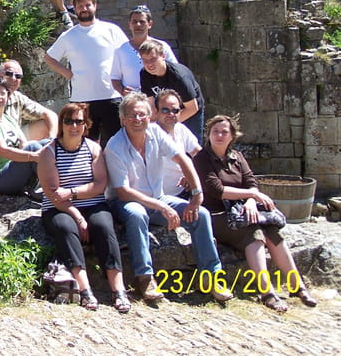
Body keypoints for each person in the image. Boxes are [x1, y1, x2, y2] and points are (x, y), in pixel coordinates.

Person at [104, 92, 232, 303]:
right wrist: (162, 207)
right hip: (126, 202)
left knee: (201, 214)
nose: (138, 119)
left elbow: (183, 159)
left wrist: (197, 193)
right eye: (132, 115)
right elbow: (123, 191)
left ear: (150, 116)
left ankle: (211, 276)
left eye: (142, 115)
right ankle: (145, 278)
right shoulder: (115, 146)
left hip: (158, 197)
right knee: (137, 215)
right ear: (123, 119)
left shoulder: (155, 132)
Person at [194, 114, 318, 312]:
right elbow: (216, 189)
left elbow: (251, 181)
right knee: (255, 234)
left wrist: (251, 201)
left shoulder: (237, 157)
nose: (219, 135)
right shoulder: (202, 158)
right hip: (217, 215)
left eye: (224, 132)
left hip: (241, 211)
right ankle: (266, 291)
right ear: (208, 134)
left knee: (273, 233)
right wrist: (251, 194)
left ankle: (297, 286)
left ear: (232, 136)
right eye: (215, 131)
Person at [37, 103, 130, 313]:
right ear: (61, 124)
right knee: (66, 228)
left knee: (104, 227)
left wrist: (72, 192)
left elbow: (100, 184)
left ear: (86, 125)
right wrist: (78, 216)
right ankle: (85, 288)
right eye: (68, 121)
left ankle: (118, 289)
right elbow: (54, 194)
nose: (74, 126)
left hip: (92, 203)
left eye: (79, 121)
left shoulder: (93, 149)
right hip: (58, 208)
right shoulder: (48, 153)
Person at [44, 0, 127, 146]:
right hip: (82, 100)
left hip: (111, 96)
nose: (84, 9)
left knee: (116, 144)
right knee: (85, 145)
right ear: (75, 9)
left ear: (95, 5)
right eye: (80, 6)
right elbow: (49, 58)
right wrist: (68, 74)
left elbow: (126, 54)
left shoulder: (111, 30)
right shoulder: (68, 36)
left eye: (87, 5)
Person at [0, 78, 44, 197]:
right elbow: (2, 150)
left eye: (2, 93)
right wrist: (33, 156)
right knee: (33, 147)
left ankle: (65, 181)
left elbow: (23, 144)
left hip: (12, 169)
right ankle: (53, 189)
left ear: (8, 96)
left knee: (47, 143)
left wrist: (42, 152)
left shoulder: (7, 118)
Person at [139, 39, 205, 143]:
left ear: (163, 56)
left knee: (191, 145)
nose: (149, 64)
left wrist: (167, 125)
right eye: (145, 60)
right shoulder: (145, 74)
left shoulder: (179, 77)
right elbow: (151, 106)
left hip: (189, 111)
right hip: (165, 112)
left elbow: (192, 108)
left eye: (153, 59)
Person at [111, 4, 178, 96]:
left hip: (158, 100)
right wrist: (122, 90)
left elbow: (175, 72)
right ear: (129, 25)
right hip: (133, 101)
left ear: (150, 24)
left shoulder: (162, 47)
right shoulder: (121, 51)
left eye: (142, 22)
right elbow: (115, 78)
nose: (138, 25)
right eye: (134, 22)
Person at [154, 89, 201, 197]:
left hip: (184, 191)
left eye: (175, 110)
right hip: (160, 196)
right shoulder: (150, 133)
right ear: (156, 111)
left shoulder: (180, 128)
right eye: (165, 110)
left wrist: (191, 175)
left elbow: (198, 154)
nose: (171, 114)